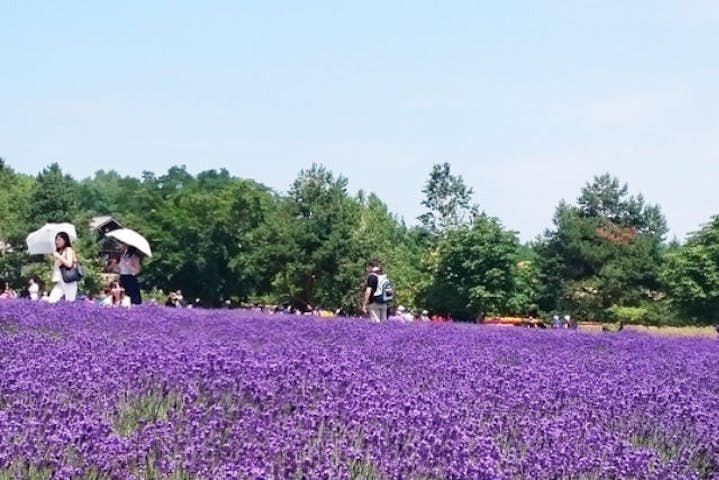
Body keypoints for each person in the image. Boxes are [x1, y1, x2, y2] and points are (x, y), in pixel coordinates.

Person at [48, 232, 78, 303]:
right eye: (56, 240)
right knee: (51, 301)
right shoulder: (59, 252)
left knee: (69, 303)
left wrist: (58, 256)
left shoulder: (68, 250)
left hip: (69, 281)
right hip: (60, 282)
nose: (56, 242)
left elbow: (69, 264)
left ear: (65, 240)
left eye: (59, 240)